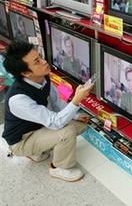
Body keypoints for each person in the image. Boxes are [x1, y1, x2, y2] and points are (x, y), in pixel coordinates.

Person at [2, 41, 94, 182]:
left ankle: (39, 148)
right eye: (37, 62)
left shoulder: (43, 76)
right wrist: (76, 101)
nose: (44, 62)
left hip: (38, 126)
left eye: (40, 57)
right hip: (22, 140)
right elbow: (54, 122)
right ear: (25, 73)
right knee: (66, 132)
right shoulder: (18, 98)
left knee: (80, 126)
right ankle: (60, 167)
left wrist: (75, 114)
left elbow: (56, 102)